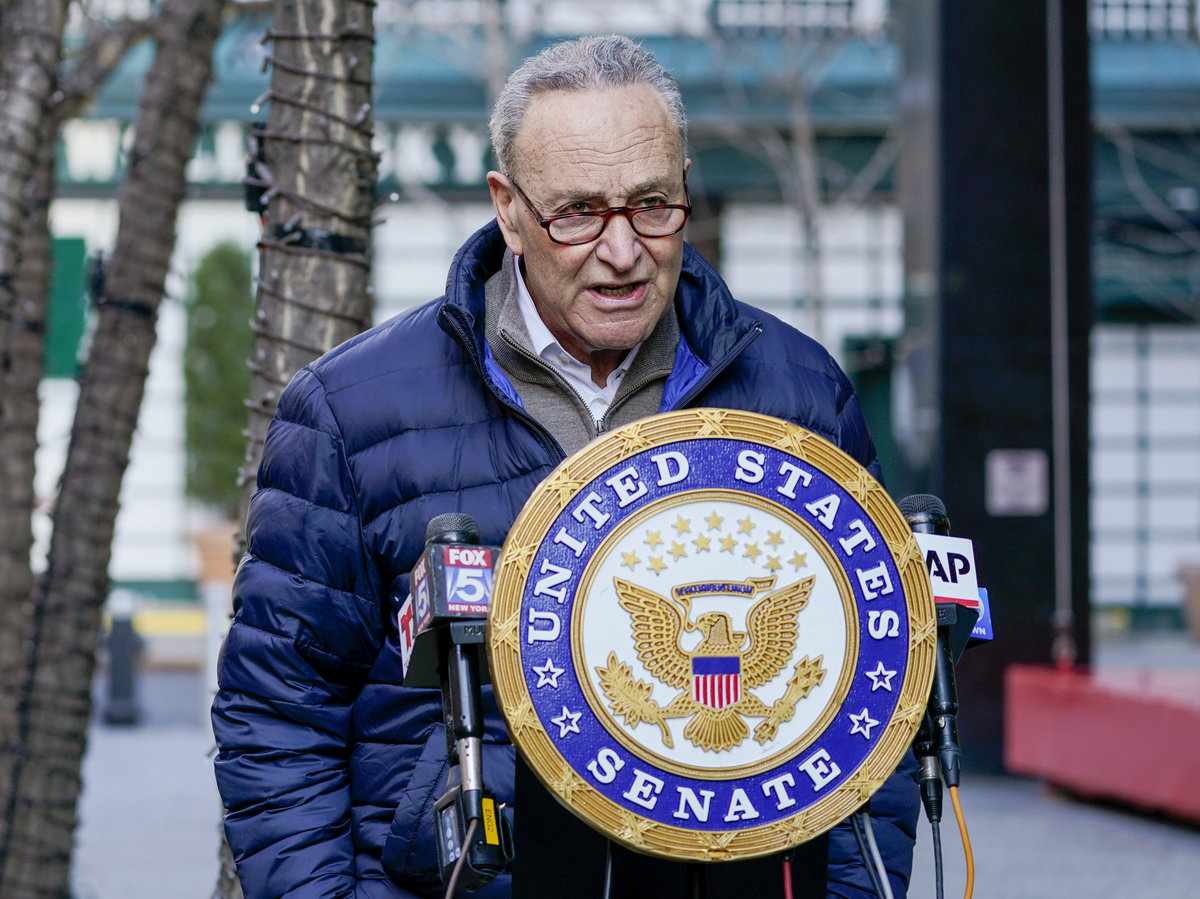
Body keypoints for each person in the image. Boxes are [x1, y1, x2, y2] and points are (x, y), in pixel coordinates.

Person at [212, 34, 919, 899]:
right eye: (578, 212)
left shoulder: (802, 397)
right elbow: (278, 713)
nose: (622, 251)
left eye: (652, 204)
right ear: (508, 208)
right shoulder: (350, 411)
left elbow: (876, 703)